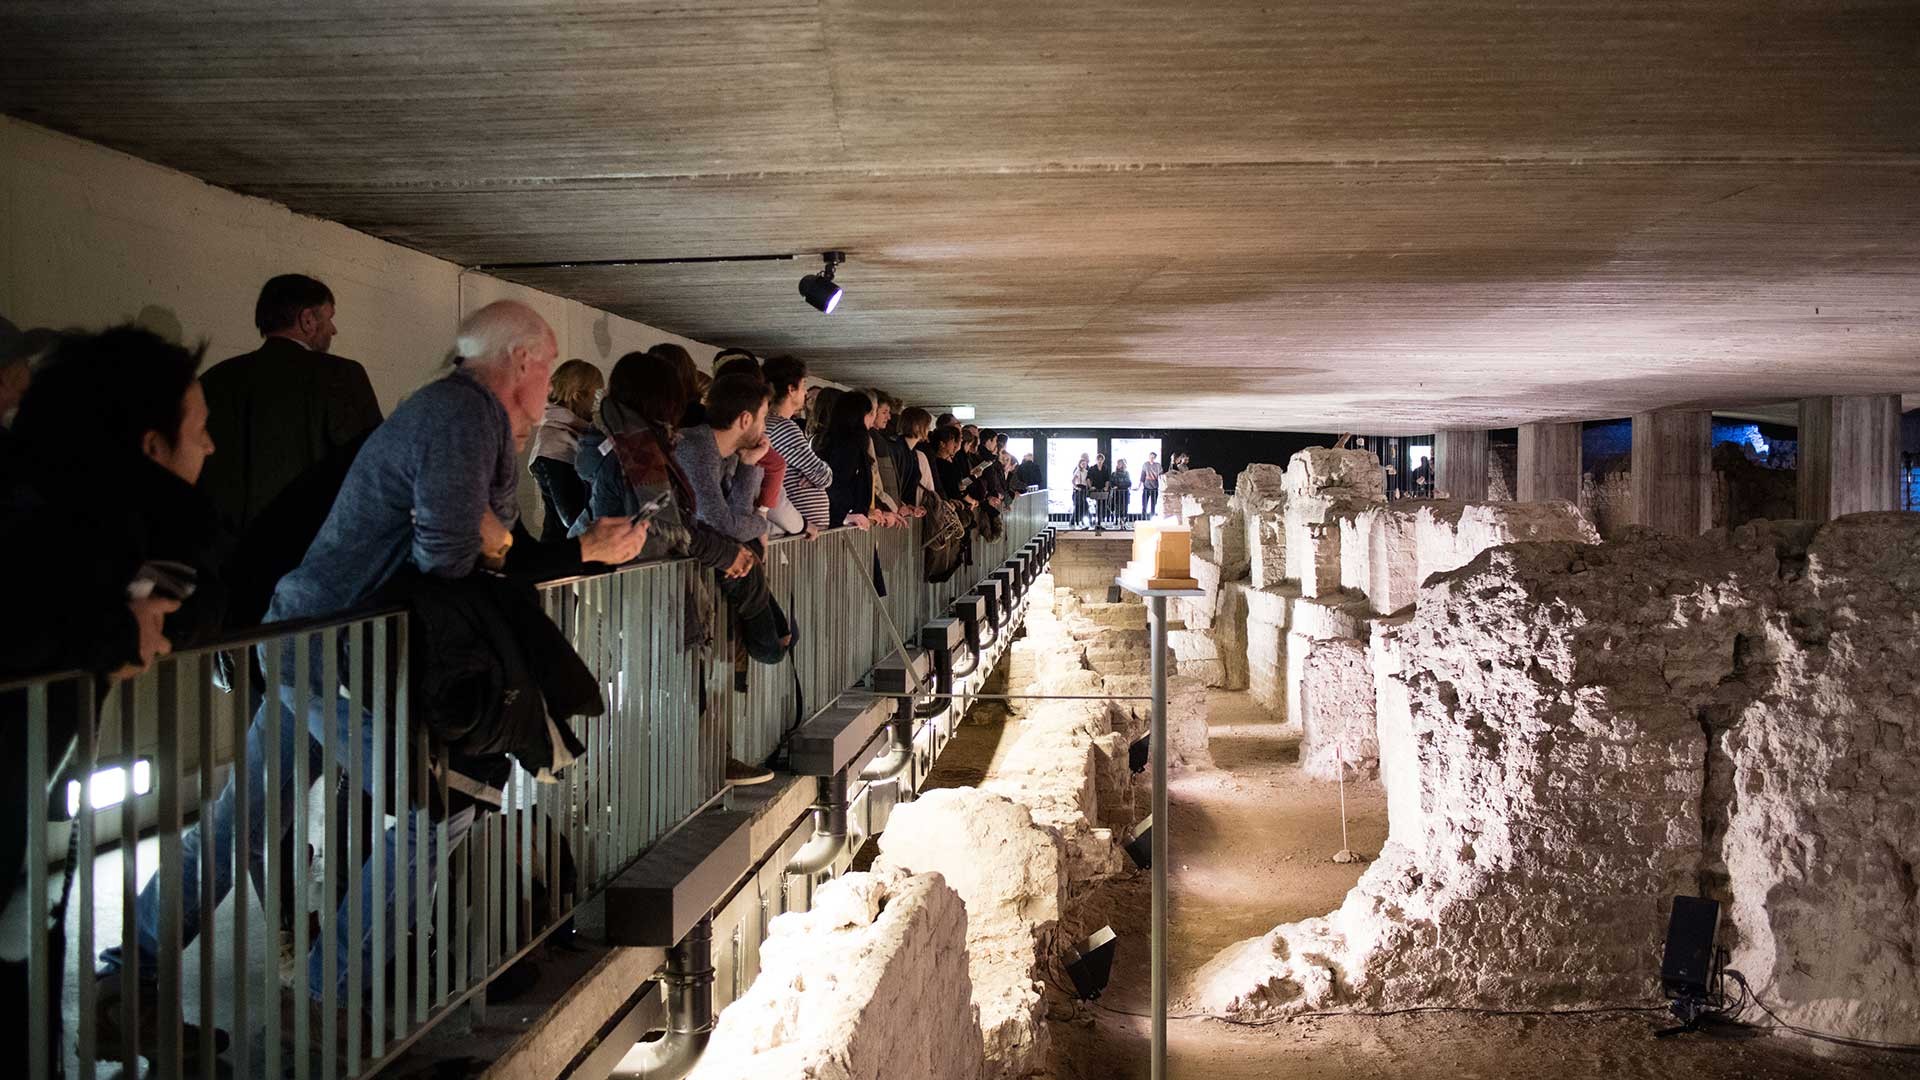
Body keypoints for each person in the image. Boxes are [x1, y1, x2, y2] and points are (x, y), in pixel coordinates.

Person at [98, 302, 648, 1043]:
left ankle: (131, 967)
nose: (550, 384)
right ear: (519, 362)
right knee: (430, 814)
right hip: (336, 651)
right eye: (547, 365)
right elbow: (451, 557)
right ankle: (320, 1013)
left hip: (314, 638)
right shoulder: (464, 412)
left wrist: (516, 544)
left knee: (243, 822)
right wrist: (536, 547)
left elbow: (492, 543)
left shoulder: (464, 415)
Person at [2, 326, 223, 1060]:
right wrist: (108, 632)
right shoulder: (47, 548)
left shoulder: (72, 536)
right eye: (200, 431)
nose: (212, 450)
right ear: (151, 450)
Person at [197, 274, 382, 538]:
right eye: (329, 317)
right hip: (306, 549)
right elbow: (372, 465)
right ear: (307, 320)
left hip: (223, 553)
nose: (333, 329)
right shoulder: (341, 376)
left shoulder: (216, 378)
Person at [528, 359, 603, 539]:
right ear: (578, 396)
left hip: (578, 550)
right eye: (596, 395)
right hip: (562, 553)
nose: (598, 403)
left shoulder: (579, 434)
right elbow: (571, 516)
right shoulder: (553, 440)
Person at [763, 355, 832, 535]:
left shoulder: (768, 424)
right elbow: (824, 476)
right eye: (803, 385)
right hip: (798, 530)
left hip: (796, 528)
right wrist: (814, 474)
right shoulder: (783, 427)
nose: (806, 392)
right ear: (791, 389)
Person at [817, 391, 901, 530]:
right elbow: (838, 485)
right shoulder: (847, 446)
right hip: (840, 525)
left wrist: (867, 511)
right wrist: (847, 515)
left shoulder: (842, 442)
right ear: (858, 416)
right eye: (869, 414)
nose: (871, 420)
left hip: (850, 522)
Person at [1086, 453, 1113, 528]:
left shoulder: (1105, 468)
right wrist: (1091, 487)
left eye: (1101, 460)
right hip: (1095, 489)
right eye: (1098, 459)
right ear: (1096, 460)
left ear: (1103, 460)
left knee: (1103, 506)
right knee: (1096, 506)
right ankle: (1096, 521)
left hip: (1103, 490)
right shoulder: (1092, 468)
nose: (1100, 461)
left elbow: (1107, 479)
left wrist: (1106, 487)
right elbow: (1088, 478)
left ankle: (1101, 521)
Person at [1140, 452, 1163, 517]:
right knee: (1144, 503)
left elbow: (1161, 476)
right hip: (1146, 486)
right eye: (1150, 457)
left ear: (1155, 458)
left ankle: (1152, 517)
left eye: (1153, 457)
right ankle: (1143, 517)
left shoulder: (1158, 465)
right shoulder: (1145, 464)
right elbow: (1142, 475)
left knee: (1153, 504)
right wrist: (1139, 486)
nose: (1151, 458)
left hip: (1155, 487)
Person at [1111, 458, 1133, 524]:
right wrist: (1116, 486)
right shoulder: (1114, 474)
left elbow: (1129, 483)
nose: (1119, 465)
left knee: (1124, 507)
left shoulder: (1126, 473)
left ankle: (1123, 520)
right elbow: (1112, 483)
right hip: (1117, 494)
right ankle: (1116, 519)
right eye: (1118, 463)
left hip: (1125, 493)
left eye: (1120, 463)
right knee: (1117, 507)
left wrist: (1119, 486)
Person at [1071, 452, 1091, 526]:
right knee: (1079, 506)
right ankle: (1075, 521)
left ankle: (1078, 521)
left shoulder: (1087, 470)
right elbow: (1073, 480)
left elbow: (1088, 479)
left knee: (1083, 506)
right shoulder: (1077, 470)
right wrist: (1076, 487)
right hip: (1078, 489)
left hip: (1084, 489)